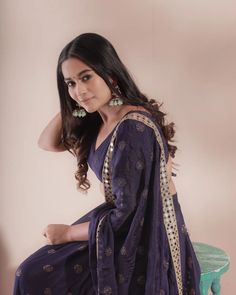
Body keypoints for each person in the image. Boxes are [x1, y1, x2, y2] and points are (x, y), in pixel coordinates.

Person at [13, 33, 201, 295]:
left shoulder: (132, 129)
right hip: (118, 226)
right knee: (31, 272)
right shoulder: (100, 119)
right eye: (70, 83)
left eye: (86, 77)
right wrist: (74, 102)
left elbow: (128, 215)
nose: (79, 90)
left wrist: (67, 234)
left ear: (110, 74)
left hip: (145, 236)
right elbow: (47, 142)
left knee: (32, 275)